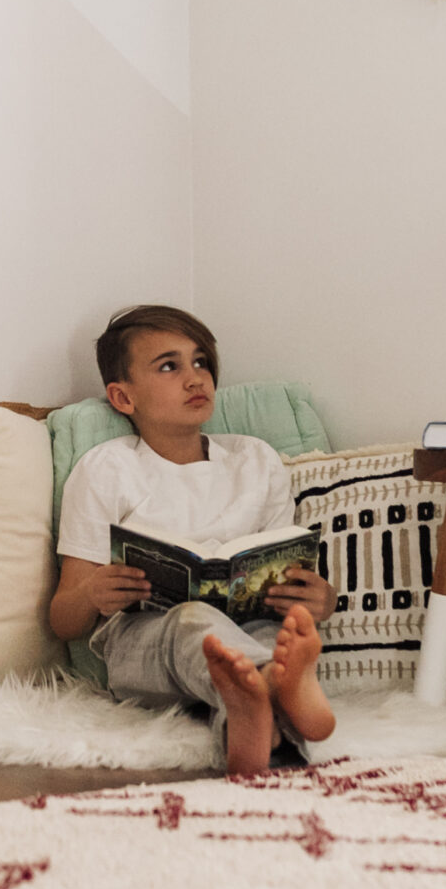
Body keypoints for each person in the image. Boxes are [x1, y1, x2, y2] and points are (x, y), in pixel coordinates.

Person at [49, 303, 335, 776]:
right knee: (192, 622)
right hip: (144, 642)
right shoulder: (107, 469)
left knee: (272, 634)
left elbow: (287, 570)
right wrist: (94, 593)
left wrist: (321, 599)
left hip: (247, 628)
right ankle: (280, 685)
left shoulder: (256, 460)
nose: (195, 377)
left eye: (201, 361)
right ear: (123, 398)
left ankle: (254, 724)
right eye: (169, 366)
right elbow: (63, 618)